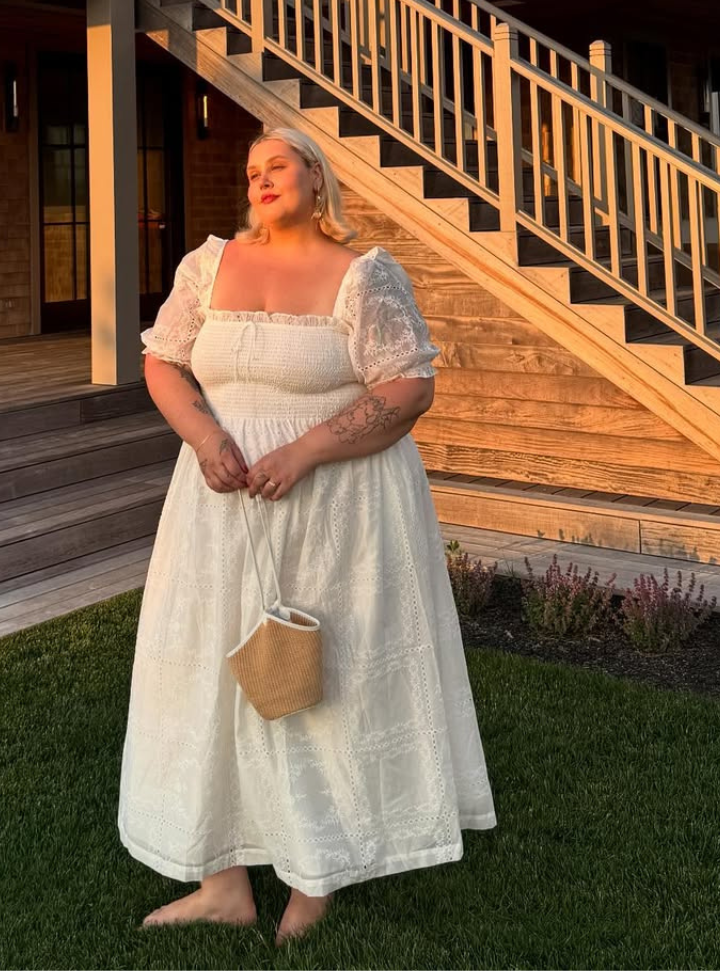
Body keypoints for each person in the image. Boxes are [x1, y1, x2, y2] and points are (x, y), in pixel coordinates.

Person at [117, 127, 497, 945]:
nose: (260, 178)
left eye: (276, 165)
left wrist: (308, 448)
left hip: (338, 513)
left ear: (317, 178)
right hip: (219, 506)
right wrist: (205, 439)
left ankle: (315, 875)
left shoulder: (365, 276)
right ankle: (223, 881)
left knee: (324, 683)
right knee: (212, 673)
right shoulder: (206, 266)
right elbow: (162, 363)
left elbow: (408, 386)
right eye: (251, 170)